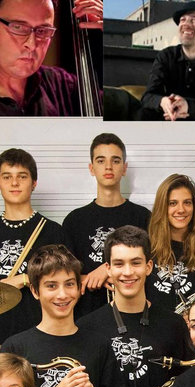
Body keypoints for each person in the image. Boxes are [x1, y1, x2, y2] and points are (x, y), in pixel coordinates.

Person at [76, 225, 194, 387]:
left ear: (148, 267)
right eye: (119, 264)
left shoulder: (174, 324)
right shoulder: (85, 327)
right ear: (108, 268)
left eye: (136, 263)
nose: (128, 272)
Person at [0, 148, 69, 348]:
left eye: (22, 176)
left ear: (34, 183)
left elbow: (63, 287)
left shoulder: (53, 232)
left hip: (43, 337)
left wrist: (24, 278)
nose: (14, 183)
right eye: (7, 177)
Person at [0, 244, 99, 387]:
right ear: (35, 292)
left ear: (79, 288)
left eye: (69, 284)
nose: (62, 294)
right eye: (51, 286)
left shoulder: (99, 344)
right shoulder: (14, 347)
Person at [63, 133, 151, 316]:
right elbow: (64, 276)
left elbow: (152, 267)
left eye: (116, 161)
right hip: (86, 317)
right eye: (101, 161)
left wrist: (107, 268)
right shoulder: (74, 220)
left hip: (134, 314)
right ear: (91, 168)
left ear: (124, 168)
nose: (109, 167)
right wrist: (91, 277)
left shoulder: (143, 217)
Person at [0, 0, 102, 116]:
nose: (32, 45)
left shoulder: (63, 86)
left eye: (43, 31)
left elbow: (118, 104)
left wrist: (113, 28)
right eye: (18, 27)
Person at [145, 173, 195, 315]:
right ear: (162, 207)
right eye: (172, 203)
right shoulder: (145, 248)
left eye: (187, 202)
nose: (181, 210)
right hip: (154, 332)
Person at [140, 2, 195, 121]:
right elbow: (148, 96)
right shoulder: (165, 56)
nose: (186, 24)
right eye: (183, 20)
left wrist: (188, 106)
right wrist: (163, 102)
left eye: (193, 20)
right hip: (169, 120)